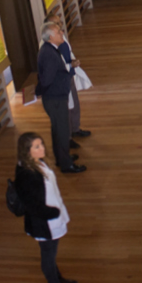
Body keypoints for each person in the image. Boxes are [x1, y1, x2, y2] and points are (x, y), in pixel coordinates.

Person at [13, 132, 77, 283]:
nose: (42, 148)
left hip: (52, 218)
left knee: (51, 254)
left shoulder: (36, 164)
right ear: (27, 151)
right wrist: (53, 212)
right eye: (37, 146)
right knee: (48, 256)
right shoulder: (27, 175)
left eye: (41, 144)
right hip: (45, 223)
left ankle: (58, 279)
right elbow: (34, 205)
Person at [34, 23, 87, 173]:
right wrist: (36, 92)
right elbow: (46, 80)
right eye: (58, 32)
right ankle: (66, 165)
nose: (62, 33)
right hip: (55, 99)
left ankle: (61, 158)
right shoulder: (50, 54)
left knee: (57, 130)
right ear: (51, 37)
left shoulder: (49, 50)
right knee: (62, 131)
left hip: (55, 97)